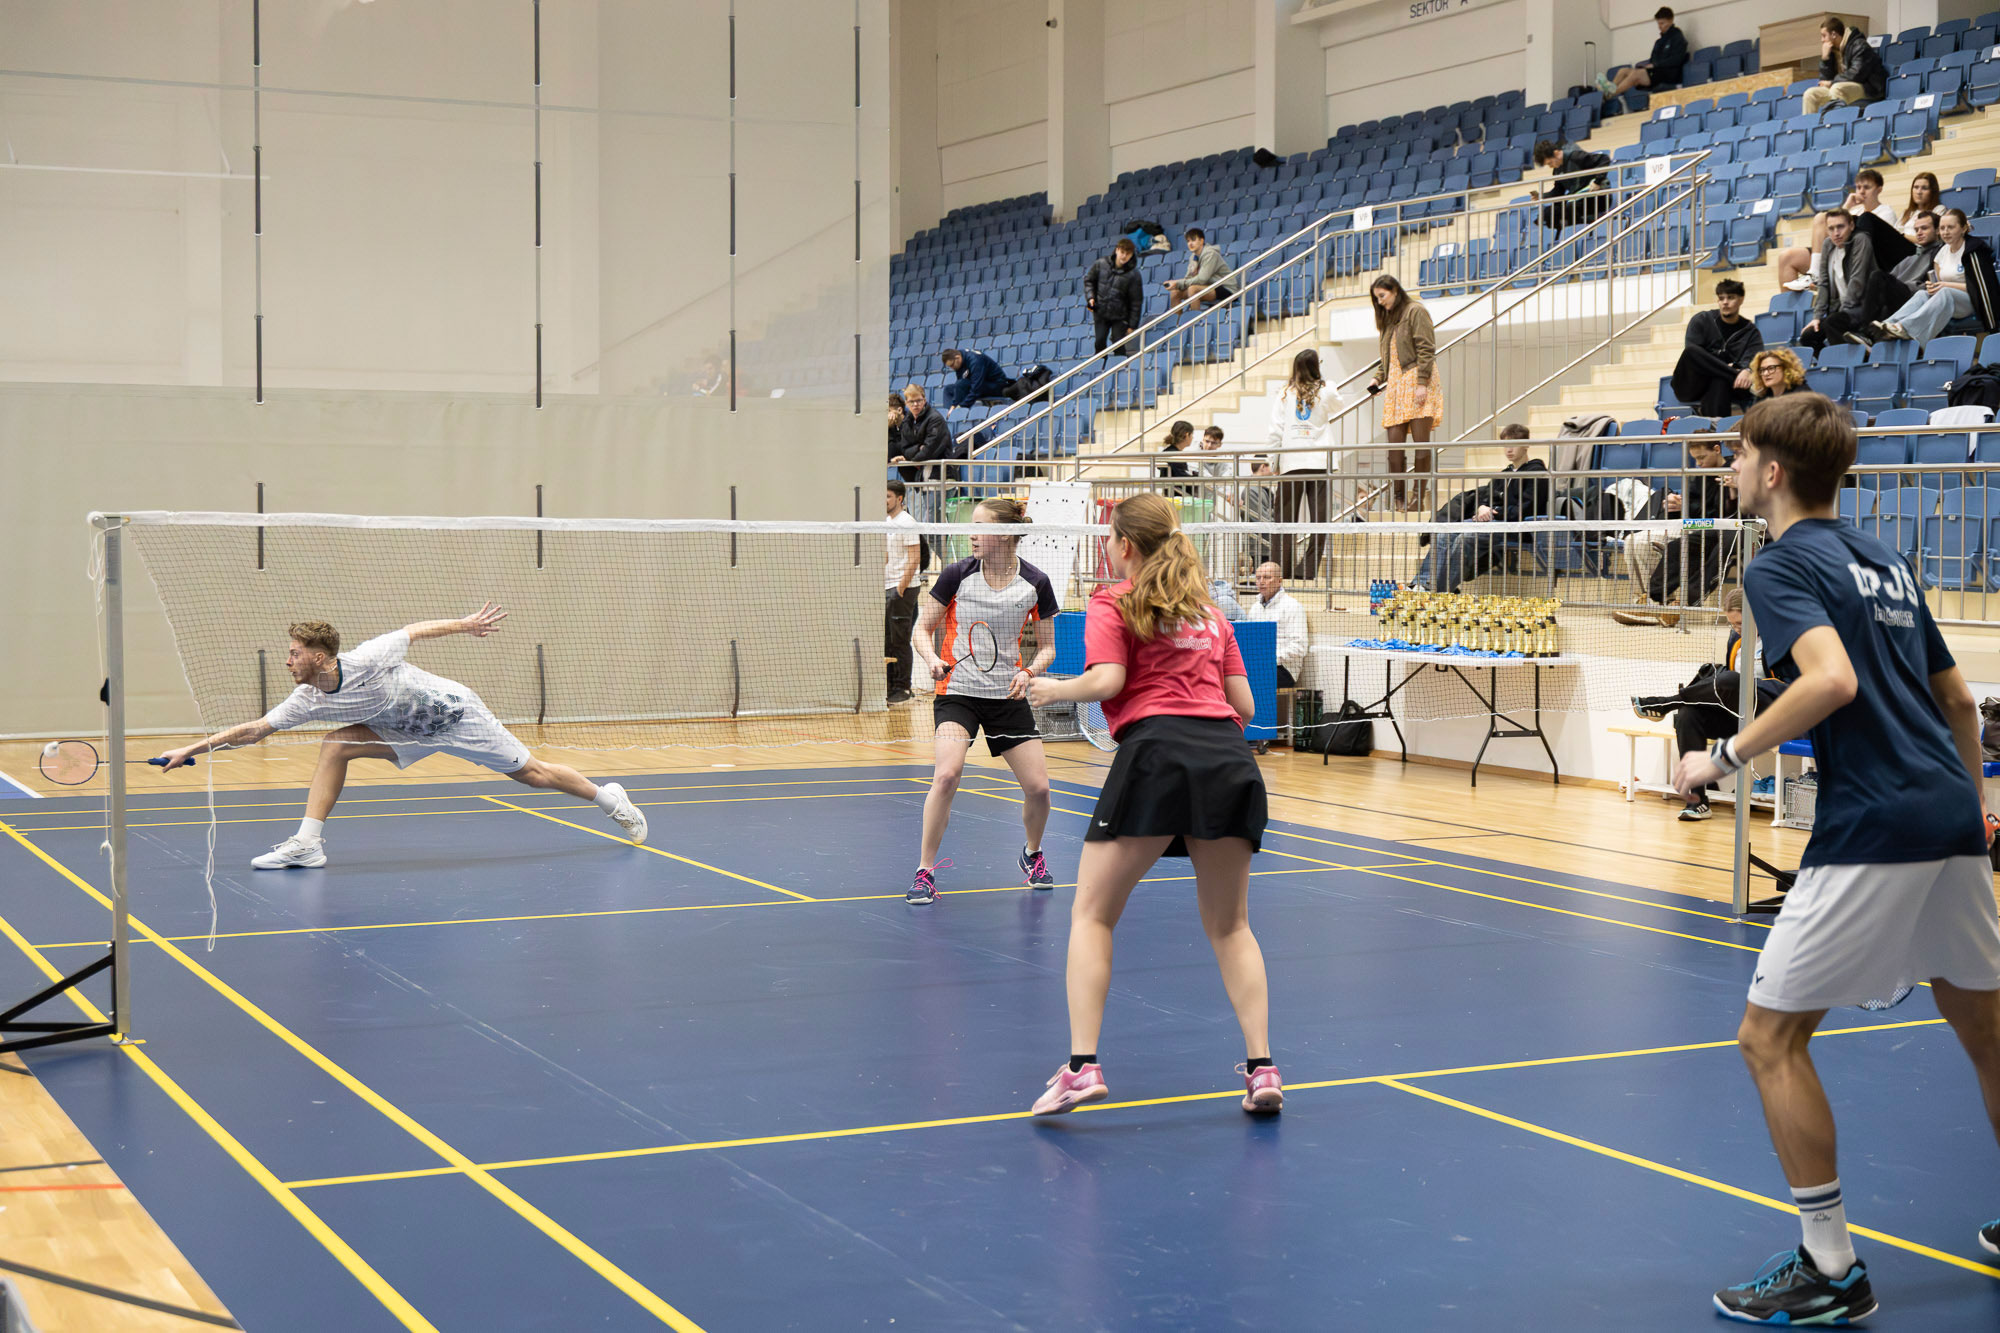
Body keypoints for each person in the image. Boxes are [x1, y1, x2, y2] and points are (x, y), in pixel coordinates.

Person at [1670, 391, 2000, 1324]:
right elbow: (1961, 703)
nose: (1732, 470)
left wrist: (1721, 757)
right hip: (1948, 816)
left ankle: (1831, 1266)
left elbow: (1831, 680)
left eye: (1739, 456)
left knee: (1768, 1038)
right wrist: (1973, 808)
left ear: (1773, 472)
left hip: (1875, 824)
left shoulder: (1779, 566)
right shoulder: (1886, 560)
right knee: (1987, 1030)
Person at [1025, 494, 1278, 1117]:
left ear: (1126, 546)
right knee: (1232, 926)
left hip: (1157, 757)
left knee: (1092, 915)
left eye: (1110, 538)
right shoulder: (1211, 614)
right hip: (1228, 762)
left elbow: (1108, 681)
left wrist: (1050, 689)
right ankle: (1262, 1069)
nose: (1108, 547)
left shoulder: (1114, 600)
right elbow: (1246, 708)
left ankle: (1082, 1067)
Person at [157, 609, 649, 868]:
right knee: (335, 744)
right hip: (403, 733)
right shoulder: (306, 700)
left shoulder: (369, 657)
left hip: (455, 716)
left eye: (294, 653)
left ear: (320, 657)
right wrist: (191, 749)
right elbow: (254, 730)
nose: (287, 661)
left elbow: (413, 631)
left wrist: (466, 625)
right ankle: (307, 844)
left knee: (534, 775)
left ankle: (611, 800)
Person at [906, 496, 1060, 905]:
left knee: (1039, 789)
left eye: (980, 527)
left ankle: (1032, 854)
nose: (971, 535)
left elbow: (1048, 647)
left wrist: (1029, 672)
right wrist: (931, 658)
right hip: (957, 692)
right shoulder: (956, 575)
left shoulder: (1035, 582)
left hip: (1007, 695)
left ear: (1005, 534)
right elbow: (921, 629)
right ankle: (924, 872)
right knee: (946, 775)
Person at [1631, 589, 1788, 820]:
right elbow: (1726, 689)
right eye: (1732, 623)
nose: (1736, 628)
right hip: (1740, 714)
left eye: (1740, 623)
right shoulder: (1735, 639)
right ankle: (1697, 802)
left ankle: (1665, 703)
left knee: (1731, 680)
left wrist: (1749, 685)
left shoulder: (1782, 638)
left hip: (1774, 715)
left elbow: (1791, 686)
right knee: (1688, 714)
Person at [1410, 428, 1548, 593]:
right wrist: (1482, 507)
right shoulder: (1504, 474)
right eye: (1506, 445)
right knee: (1445, 533)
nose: (1509, 450)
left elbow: (1526, 509)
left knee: (1466, 538)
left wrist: (1495, 511)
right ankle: (1421, 584)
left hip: (1515, 527)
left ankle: (1440, 590)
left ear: (1526, 445)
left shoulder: (1537, 473)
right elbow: (1487, 496)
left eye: (1514, 444)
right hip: (1492, 522)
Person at [1621, 433, 1736, 620]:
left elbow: (1723, 512)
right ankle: (1647, 602)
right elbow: (1691, 505)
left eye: (1702, 457)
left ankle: (1666, 605)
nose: (1698, 464)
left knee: (1687, 547)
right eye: (1695, 459)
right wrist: (1675, 504)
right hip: (1691, 524)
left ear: (1717, 449)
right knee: (1634, 540)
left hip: (1717, 528)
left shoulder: (1734, 470)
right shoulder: (1698, 475)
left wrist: (1688, 506)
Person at [1268, 349, 1342, 581]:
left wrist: (1273, 461)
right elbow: (1338, 404)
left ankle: (1281, 571)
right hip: (1319, 462)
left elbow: (1275, 430)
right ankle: (1307, 570)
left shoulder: (1284, 393)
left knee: (1284, 521)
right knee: (1320, 522)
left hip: (1291, 462)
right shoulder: (1325, 390)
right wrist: (1325, 381)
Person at [1368, 275, 1439, 509]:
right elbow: (1388, 358)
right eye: (1377, 298)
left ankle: (1418, 497)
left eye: (1382, 296)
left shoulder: (1415, 311)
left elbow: (1426, 348)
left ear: (1395, 291)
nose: (1380, 302)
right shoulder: (1389, 321)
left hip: (1417, 378)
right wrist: (1377, 378)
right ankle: (1398, 497)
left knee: (1421, 444)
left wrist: (1422, 382)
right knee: (1394, 446)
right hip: (1396, 385)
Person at [1779, 169, 1912, 292]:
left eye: (1867, 187)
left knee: (1828, 220)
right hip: (1838, 252)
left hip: (1862, 260)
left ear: (1879, 189)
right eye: (1858, 187)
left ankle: (1819, 276)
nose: (1862, 192)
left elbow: (1872, 245)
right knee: (1787, 256)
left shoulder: (1885, 212)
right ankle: (1813, 275)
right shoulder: (1854, 211)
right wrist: (1847, 206)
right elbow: (1833, 224)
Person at [1872, 209, 1989, 345]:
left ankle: (1905, 328)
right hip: (1949, 300)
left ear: (1963, 229)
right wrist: (1933, 287)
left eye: (1950, 227)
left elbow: (1981, 287)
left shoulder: (1974, 249)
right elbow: (1939, 282)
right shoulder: (1941, 253)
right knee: (1922, 294)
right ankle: (1888, 325)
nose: (1946, 232)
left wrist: (1945, 285)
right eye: (1942, 228)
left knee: (1945, 292)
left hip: (1973, 300)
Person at [1671, 279, 1763, 419]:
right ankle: (1731, 373)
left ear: (1741, 299)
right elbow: (1694, 359)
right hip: (1692, 384)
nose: (1725, 302)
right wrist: (1735, 370)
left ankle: (1716, 431)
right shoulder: (1701, 320)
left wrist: (1746, 370)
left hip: (1731, 385)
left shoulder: (1750, 331)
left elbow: (1753, 358)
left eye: (1730, 298)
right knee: (1691, 351)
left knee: (1719, 380)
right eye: (1721, 298)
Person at [1797, 210, 1887, 352]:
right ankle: (1830, 362)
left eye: (1840, 227)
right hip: (1841, 310)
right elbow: (1824, 283)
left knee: (1833, 323)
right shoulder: (1827, 244)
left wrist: (1842, 314)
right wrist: (1817, 317)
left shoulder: (1861, 240)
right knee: (1807, 337)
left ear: (1851, 226)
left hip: (1864, 307)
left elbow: (1857, 281)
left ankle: (1855, 357)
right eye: (1831, 229)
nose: (1836, 233)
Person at [1801, 14, 1889, 117]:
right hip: (1842, 86)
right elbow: (1825, 79)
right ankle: (1810, 126)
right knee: (1810, 94)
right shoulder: (1832, 50)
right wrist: (1825, 59)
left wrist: (1832, 82)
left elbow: (1857, 74)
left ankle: (1836, 122)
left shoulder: (1859, 45)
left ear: (1834, 34)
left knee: (1837, 88)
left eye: (1824, 35)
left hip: (1869, 88)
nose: (1822, 40)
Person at [890, 383, 955, 520]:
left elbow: (928, 451)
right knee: (928, 519)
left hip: (939, 476)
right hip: (924, 477)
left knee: (932, 521)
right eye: (911, 401)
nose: (915, 404)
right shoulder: (908, 420)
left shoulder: (935, 419)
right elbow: (904, 448)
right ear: (906, 403)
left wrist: (915, 452)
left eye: (919, 400)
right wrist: (918, 448)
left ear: (924, 400)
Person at [884, 481, 923, 705]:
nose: (884, 501)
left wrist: (899, 589)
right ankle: (890, 686)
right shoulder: (885, 521)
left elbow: (914, 558)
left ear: (899, 498)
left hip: (903, 589)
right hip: (886, 586)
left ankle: (903, 688)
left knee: (900, 639)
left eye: (888, 496)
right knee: (887, 640)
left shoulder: (907, 523)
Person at [1596, 8, 1688, 102]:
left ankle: (1610, 94)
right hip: (1656, 72)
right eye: (1658, 24)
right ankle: (1610, 88)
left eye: (1662, 23)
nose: (1659, 27)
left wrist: (1655, 65)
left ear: (1671, 20)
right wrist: (1650, 66)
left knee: (1636, 74)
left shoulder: (1678, 37)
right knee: (1623, 71)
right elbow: (1653, 59)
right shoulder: (1659, 42)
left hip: (1669, 74)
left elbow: (1677, 59)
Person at [1865, 208, 1942, 314]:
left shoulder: (1941, 253)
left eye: (1924, 228)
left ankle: (1865, 322)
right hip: (1896, 294)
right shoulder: (1911, 258)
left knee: (1877, 276)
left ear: (1937, 230)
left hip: (1913, 294)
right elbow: (1890, 278)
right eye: (1916, 230)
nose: (1919, 233)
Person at [1532, 139, 1614, 236]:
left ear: (1556, 153)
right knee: (1549, 212)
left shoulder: (1576, 157)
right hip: (1578, 200)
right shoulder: (1557, 171)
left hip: (1598, 197)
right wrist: (1541, 196)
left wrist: (1597, 181)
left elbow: (1604, 159)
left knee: (1570, 207)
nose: (1550, 166)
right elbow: (1557, 192)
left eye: (1550, 163)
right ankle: (1560, 238)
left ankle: (1581, 235)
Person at [1084, 238, 1145, 356]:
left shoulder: (1134, 275)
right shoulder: (1101, 264)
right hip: (1101, 311)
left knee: (1118, 343)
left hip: (1121, 316)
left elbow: (1136, 302)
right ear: (1117, 250)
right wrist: (1090, 297)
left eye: (1128, 254)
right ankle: (1100, 366)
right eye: (1122, 252)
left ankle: (1121, 365)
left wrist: (1132, 325)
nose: (1124, 256)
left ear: (1131, 255)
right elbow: (1089, 280)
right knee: (1099, 342)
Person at [1164, 228, 1233, 311]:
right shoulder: (1193, 257)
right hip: (1208, 286)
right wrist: (1176, 285)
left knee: (1193, 289)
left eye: (1193, 240)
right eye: (1188, 241)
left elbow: (1202, 279)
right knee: (1175, 293)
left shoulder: (1210, 254)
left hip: (1225, 287)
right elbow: (1188, 278)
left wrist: (1178, 283)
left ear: (1201, 241)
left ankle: (1195, 319)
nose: (1190, 243)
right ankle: (1179, 319)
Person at [939, 347, 1010, 409]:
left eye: (952, 365)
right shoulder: (960, 358)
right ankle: (949, 415)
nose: (952, 368)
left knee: (961, 384)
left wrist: (961, 406)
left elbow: (976, 388)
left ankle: (957, 413)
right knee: (948, 389)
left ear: (957, 358)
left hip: (996, 385)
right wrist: (954, 404)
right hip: (980, 385)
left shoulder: (975, 360)